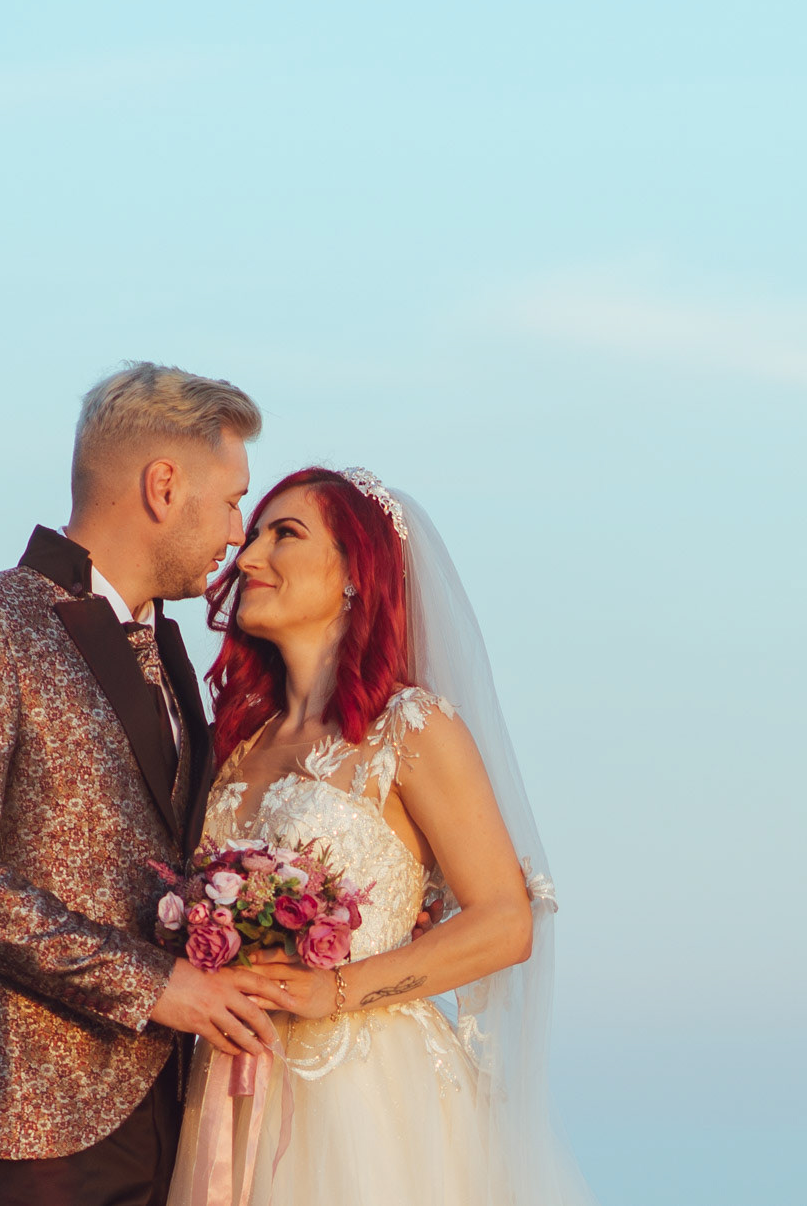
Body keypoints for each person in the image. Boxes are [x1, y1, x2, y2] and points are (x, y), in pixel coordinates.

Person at [0, 363, 305, 1206]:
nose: (237, 534)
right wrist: (153, 985)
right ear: (163, 486)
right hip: (34, 1117)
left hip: (173, 1109)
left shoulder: (174, 655)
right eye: (232, 501)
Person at [164, 467, 593, 1206]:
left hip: (370, 1093)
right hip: (232, 1085)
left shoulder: (412, 728)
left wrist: (334, 989)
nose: (248, 557)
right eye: (254, 533)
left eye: (284, 534)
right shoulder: (231, 745)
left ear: (355, 574)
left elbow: (506, 921)